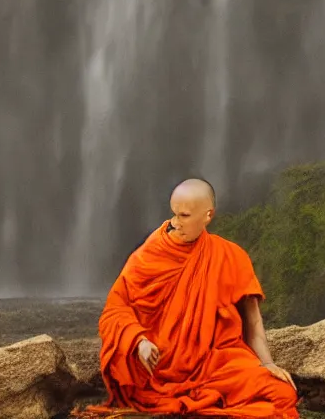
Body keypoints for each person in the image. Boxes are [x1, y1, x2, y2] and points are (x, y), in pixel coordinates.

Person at [82, 178, 300, 418]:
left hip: (214, 365)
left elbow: (253, 321)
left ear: (208, 216)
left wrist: (267, 363)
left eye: (184, 216)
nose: (175, 223)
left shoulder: (230, 256)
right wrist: (139, 342)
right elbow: (115, 308)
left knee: (282, 393)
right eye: (174, 214)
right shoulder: (151, 253)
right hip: (158, 368)